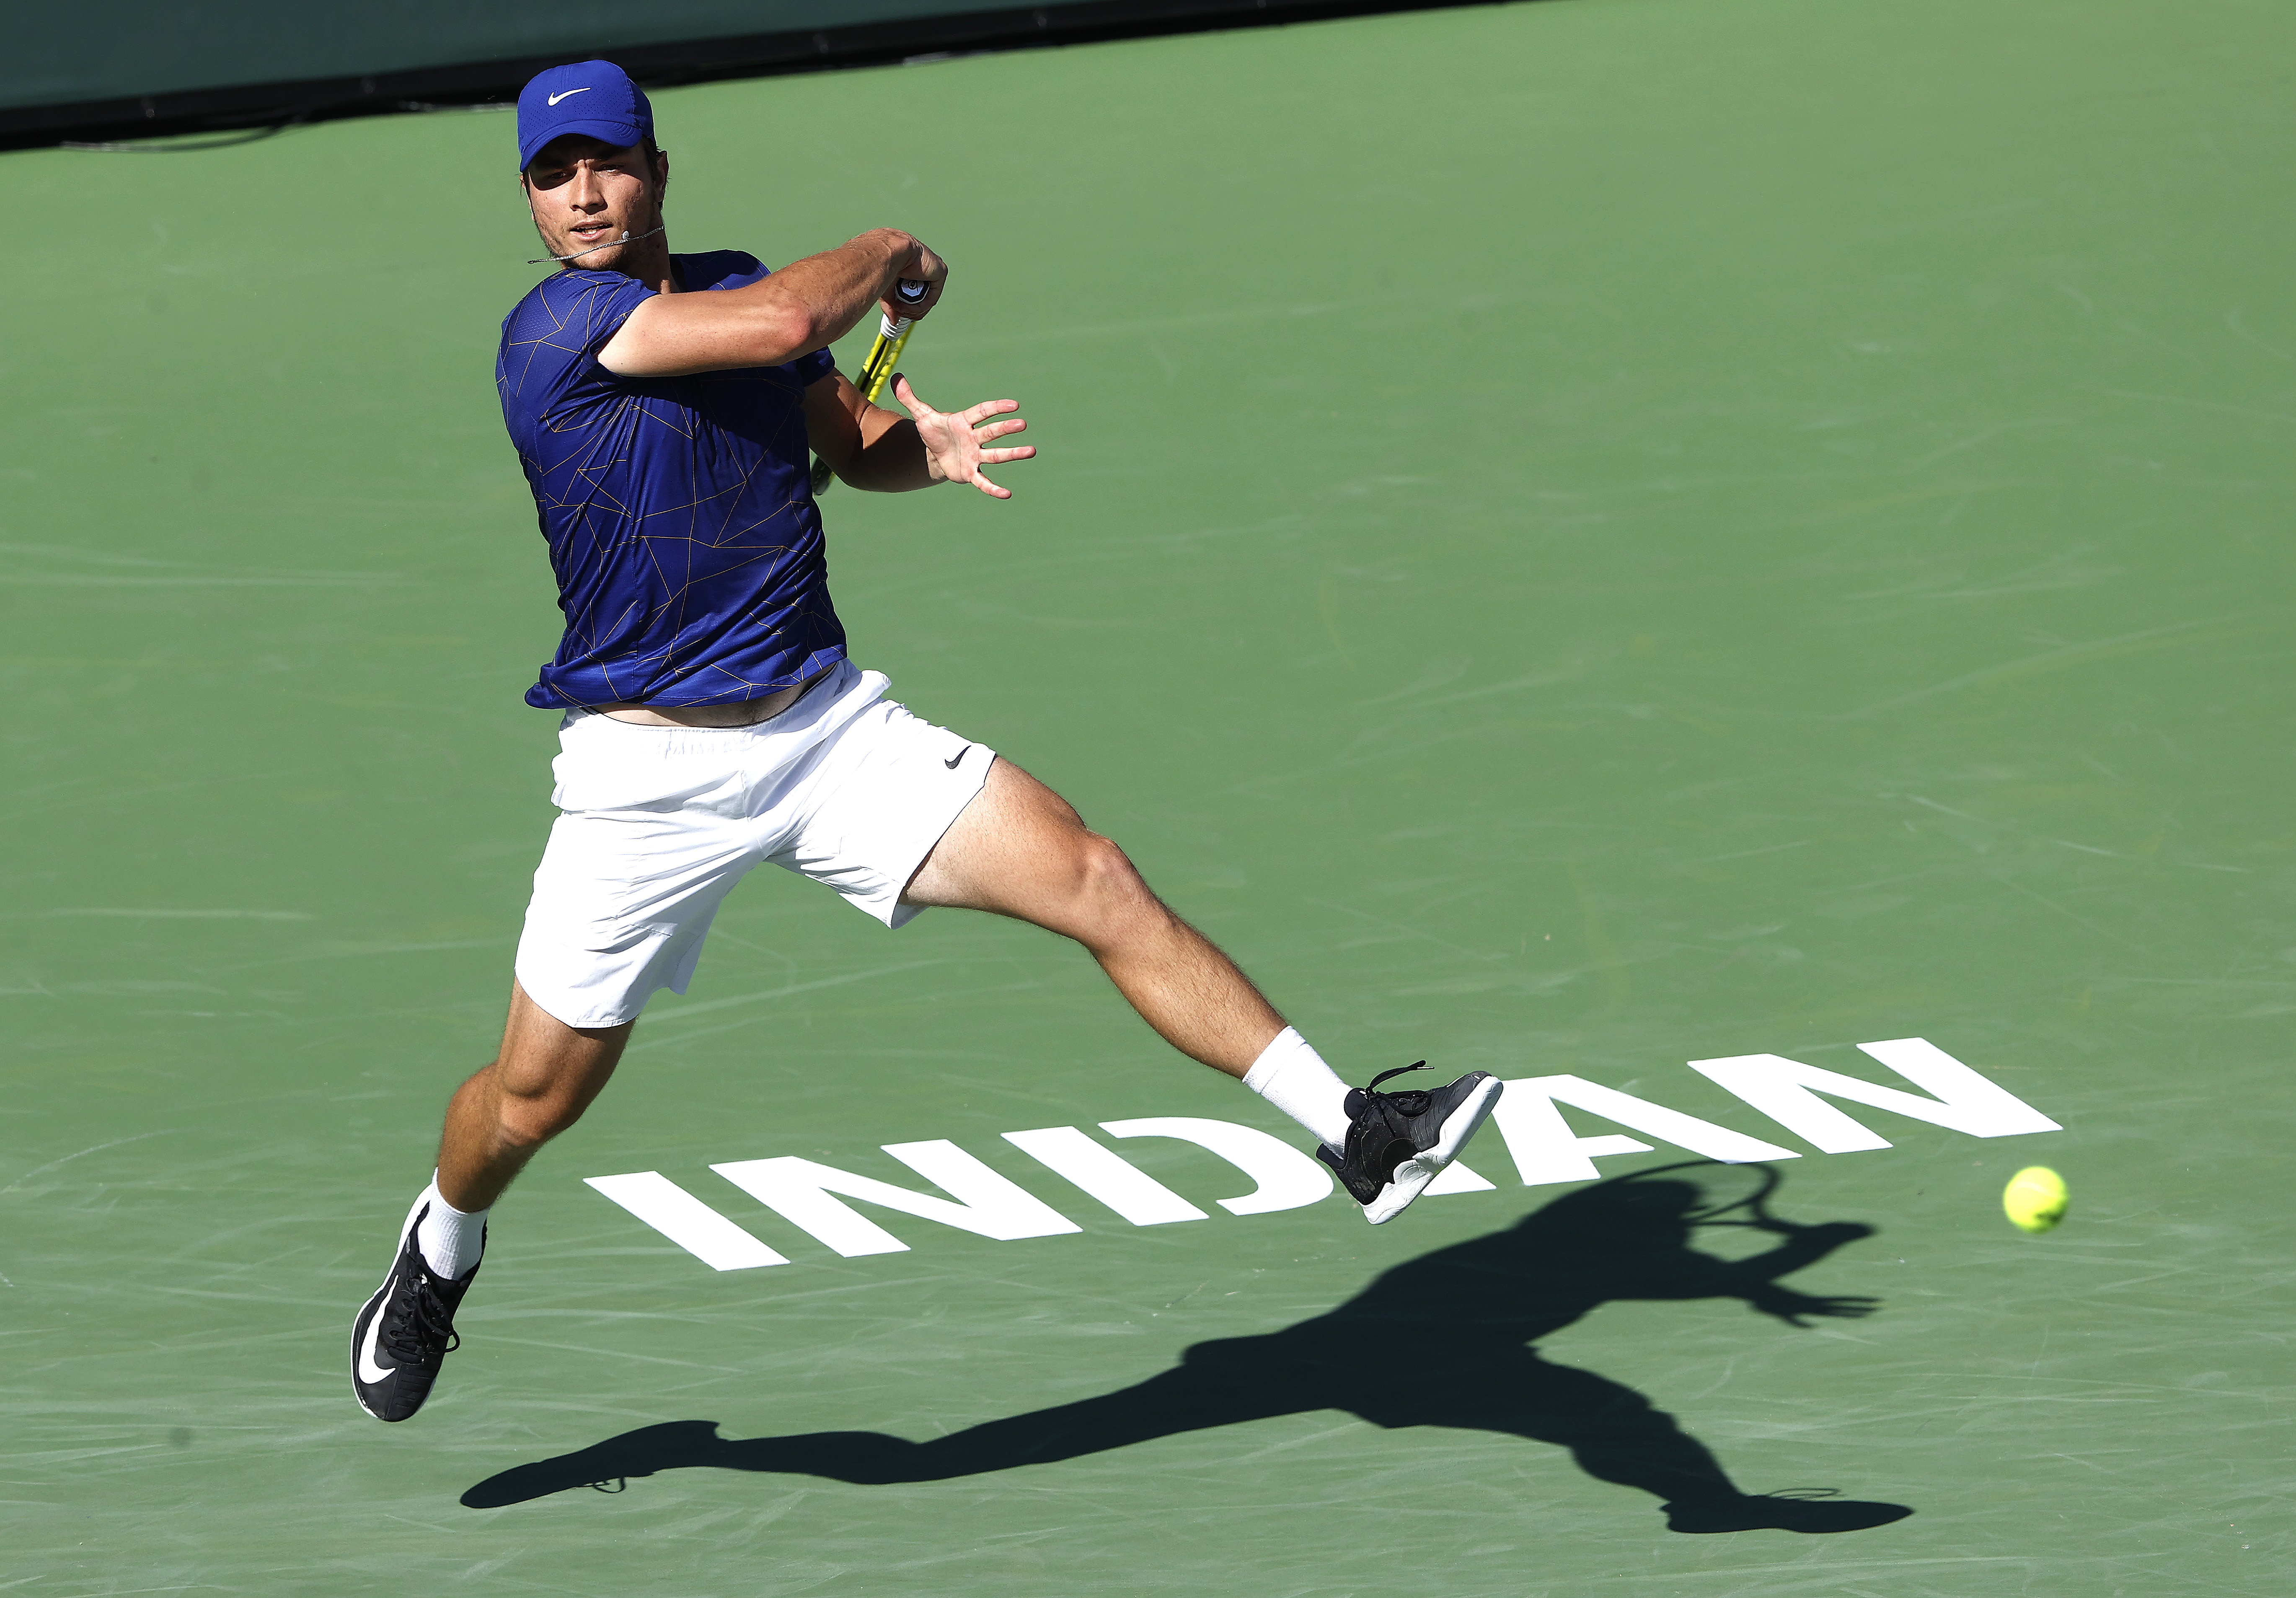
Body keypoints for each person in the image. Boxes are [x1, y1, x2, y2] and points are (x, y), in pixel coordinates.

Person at [352, 59, 1502, 1425]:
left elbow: (846, 441)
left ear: (658, 170)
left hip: (828, 732)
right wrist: (892, 249)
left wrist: (925, 444)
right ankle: (440, 1244)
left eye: (606, 163)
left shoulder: (725, 289)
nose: (584, 194)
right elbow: (790, 315)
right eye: (554, 176)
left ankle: (1359, 1135)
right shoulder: (559, 329)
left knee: (1097, 877)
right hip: (648, 778)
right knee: (532, 1104)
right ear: (535, 208)